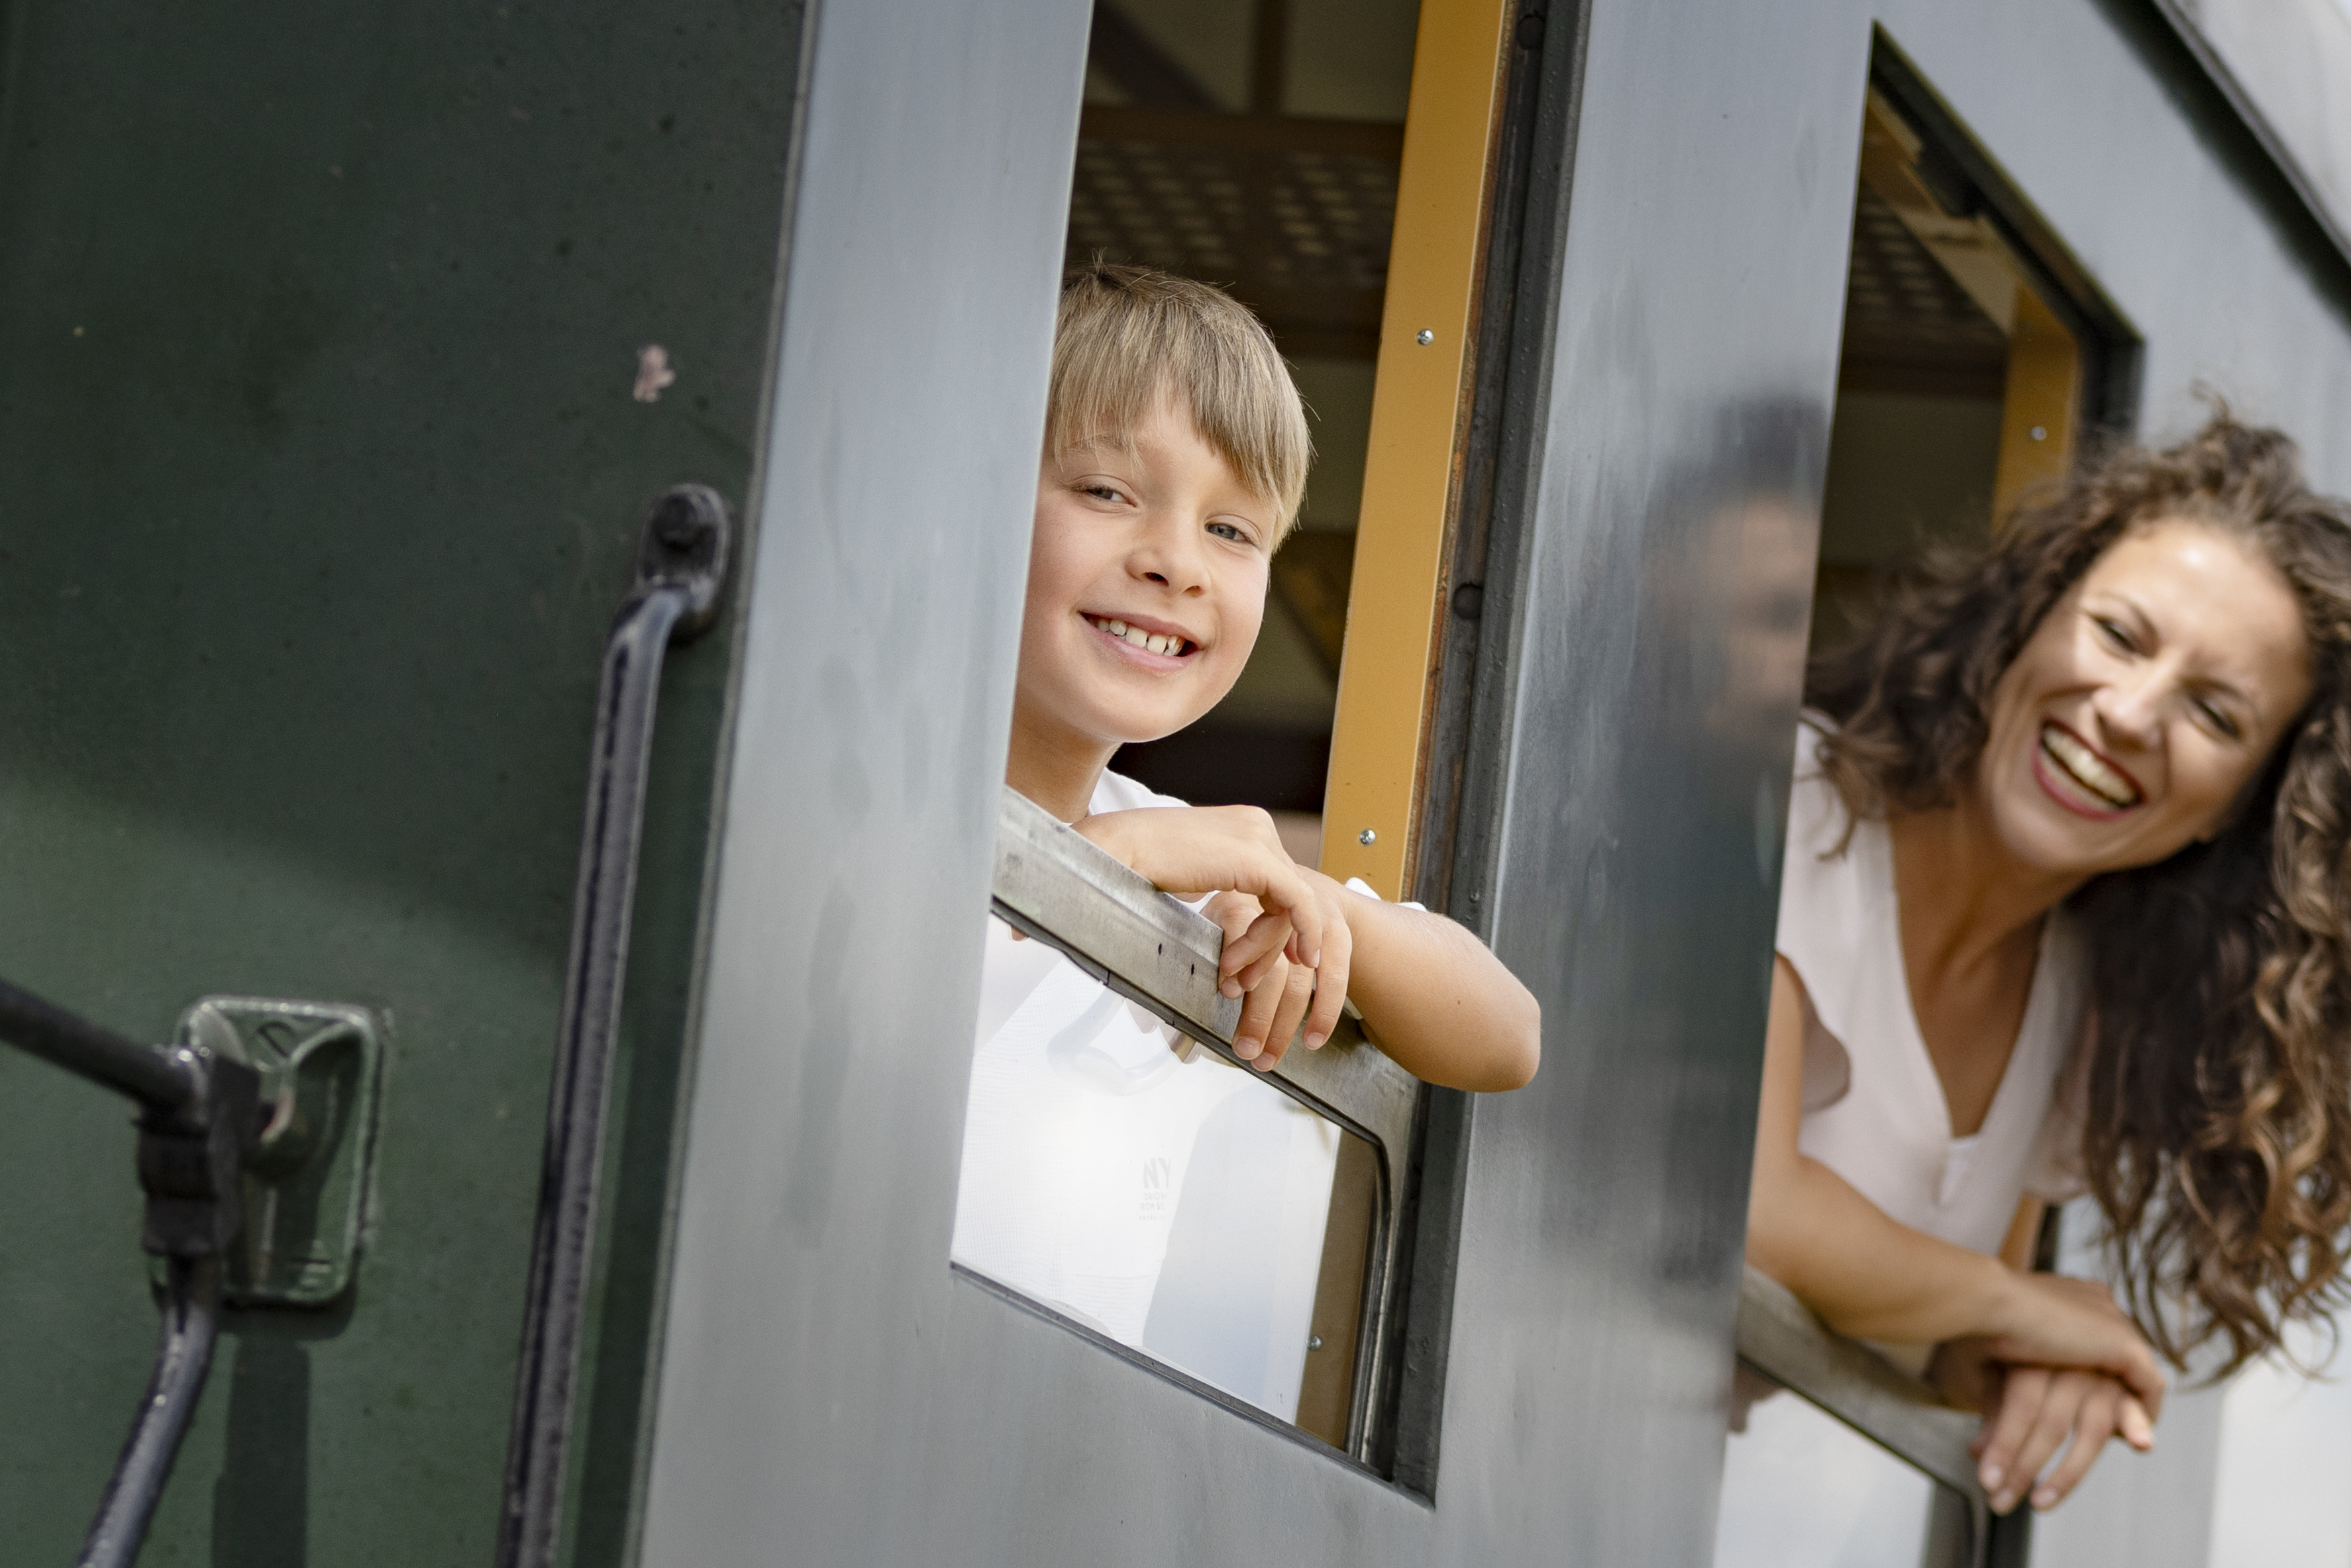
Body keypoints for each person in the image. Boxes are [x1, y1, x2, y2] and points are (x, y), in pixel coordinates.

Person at [951, 264, 1541, 1416]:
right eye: (1107, 490)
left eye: (1231, 527)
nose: (1174, 559)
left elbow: (1504, 1034)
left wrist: (1321, 910)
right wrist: (1101, 880)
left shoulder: (1184, 854)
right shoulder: (871, 788)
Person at [1742, 409, 2351, 1519]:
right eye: (2118, 636)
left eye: (2213, 714)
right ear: (2031, 619)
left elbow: (1937, 1344)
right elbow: (1744, 1204)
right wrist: (2027, 1306)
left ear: (2239, 812)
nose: (2125, 713)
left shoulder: (2072, 1012)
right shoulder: (1788, 804)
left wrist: (2042, 1365)